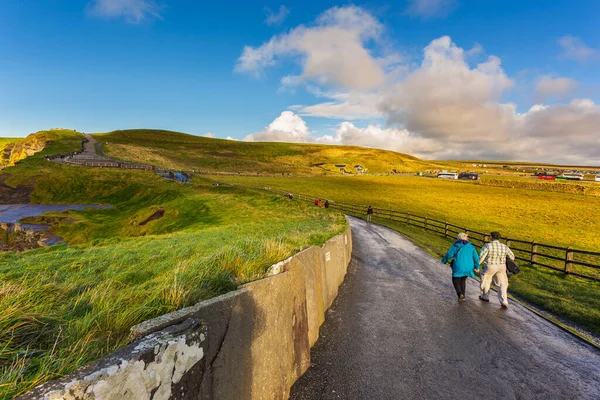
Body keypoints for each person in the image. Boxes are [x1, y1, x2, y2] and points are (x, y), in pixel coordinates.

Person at [478, 231, 515, 308]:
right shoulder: (504, 246)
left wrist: (477, 265)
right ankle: (504, 301)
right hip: (501, 266)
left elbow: (482, 257)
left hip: (490, 265)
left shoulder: (487, 246)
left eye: (490, 236)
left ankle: (485, 296)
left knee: (486, 280)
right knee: (502, 283)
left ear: (492, 237)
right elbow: (512, 257)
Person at [442, 233, 480, 302]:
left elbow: (449, 254)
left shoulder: (456, 245)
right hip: (469, 266)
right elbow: (476, 258)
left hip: (459, 265)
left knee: (455, 280)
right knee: (463, 280)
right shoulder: (471, 246)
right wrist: (477, 266)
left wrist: (444, 260)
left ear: (458, 238)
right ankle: (463, 296)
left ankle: (460, 294)